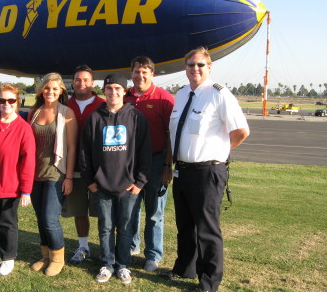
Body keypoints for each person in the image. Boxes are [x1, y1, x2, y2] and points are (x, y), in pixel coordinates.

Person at [166, 47, 250, 292]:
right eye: (191, 65)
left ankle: (210, 280)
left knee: (207, 228)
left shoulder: (219, 94)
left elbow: (241, 131)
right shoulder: (181, 94)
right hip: (182, 170)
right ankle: (185, 267)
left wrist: (219, 153)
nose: (195, 69)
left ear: (209, 67)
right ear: (185, 68)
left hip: (207, 172)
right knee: (185, 225)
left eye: (200, 65)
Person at [80, 74, 151, 285]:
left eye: (118, 88)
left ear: (124, 90)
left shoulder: (136, 117)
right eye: (109, 88)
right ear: (104, 90)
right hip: (101, 186)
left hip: (128, 187)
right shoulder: (95, 118)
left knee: (126, 227)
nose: (113, 92)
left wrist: (140, 183)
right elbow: (84, 152)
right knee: (105, 227)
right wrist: (90, 181)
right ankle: (107, 264)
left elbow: (144, 152)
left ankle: (123, 265)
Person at [0, 83, 36, 276]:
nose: (6, 104)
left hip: (10, 185)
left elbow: (28, 161)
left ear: (17, 102)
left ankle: (8, 258)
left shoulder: (23, 128)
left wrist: (26, 190)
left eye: (11, 100)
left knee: (7, 224)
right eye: (2, 100)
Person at [124, 56, 175, 272]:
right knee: (130, 209)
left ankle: (153, 254)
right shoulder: (124, 97)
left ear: (152, 74)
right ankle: (132, 246)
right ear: (132, 74)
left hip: (156, 160)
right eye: (137, 71)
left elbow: (171, 134)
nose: (140, 75)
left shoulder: (164, 98)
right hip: (130, 162)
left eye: (145, 72)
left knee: (155, 212)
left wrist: (167, 165)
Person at [27, 73, 78, 277]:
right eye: (47, 88)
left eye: (55, 89)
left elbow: (72, 148)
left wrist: (69, 177)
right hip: (34, 174)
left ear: (61, 92)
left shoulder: (67, 113)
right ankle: (46, 256)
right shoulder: (33, 112)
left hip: (56, 174)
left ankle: (58, 258)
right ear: (41, 90)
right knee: (40, 218)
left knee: (50, 219)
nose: (50, 92)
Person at [61, 65, 105, 265]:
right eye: (78, 80)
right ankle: (83, 246)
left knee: (104, 212)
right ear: (73, 82)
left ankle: (105, 247)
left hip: (99, 171)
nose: (81, 83)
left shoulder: (102, 105)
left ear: (92, 82)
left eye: (85, 80)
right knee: (79, 210)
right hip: (74, 168)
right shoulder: (64, 105)